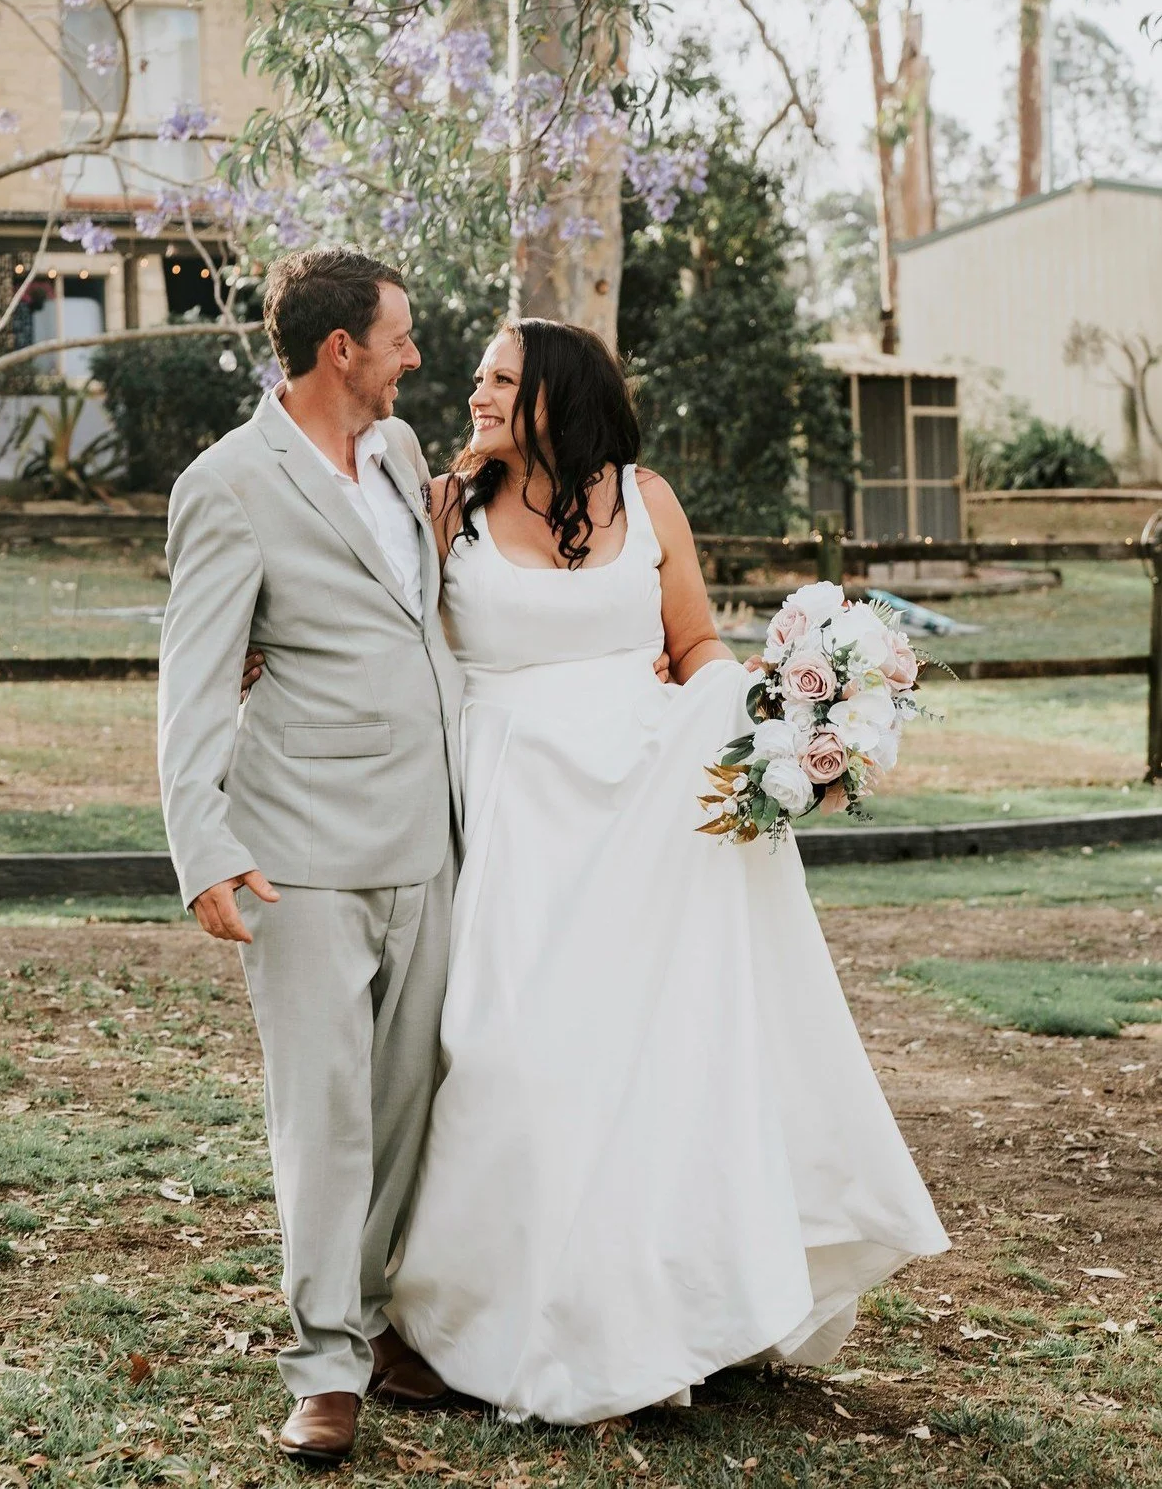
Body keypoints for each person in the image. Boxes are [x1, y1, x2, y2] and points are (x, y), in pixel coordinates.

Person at [382, 316, 950, 1424]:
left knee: (659, 1054)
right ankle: (490, 1315)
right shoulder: (445, 505)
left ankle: (673, 1306)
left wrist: (782, 735)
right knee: (510, 1053)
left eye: (501, 379)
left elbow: (697, 651)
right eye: (480, 378)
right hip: (517, 813)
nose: (477, 394)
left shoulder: (646, 500)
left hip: (649, 804)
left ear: (559, 394)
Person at [157, 247, 463, 1464]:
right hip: (300, 851)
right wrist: (204, 849)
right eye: (399, 336)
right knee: (323, 1115)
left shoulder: (398, 455)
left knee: (405, 1102)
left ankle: (378, 1315)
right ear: (342, 348)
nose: (413, 356)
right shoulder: (228, 483)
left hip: (427, 839)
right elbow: (192, 679)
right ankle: (324, 1362)